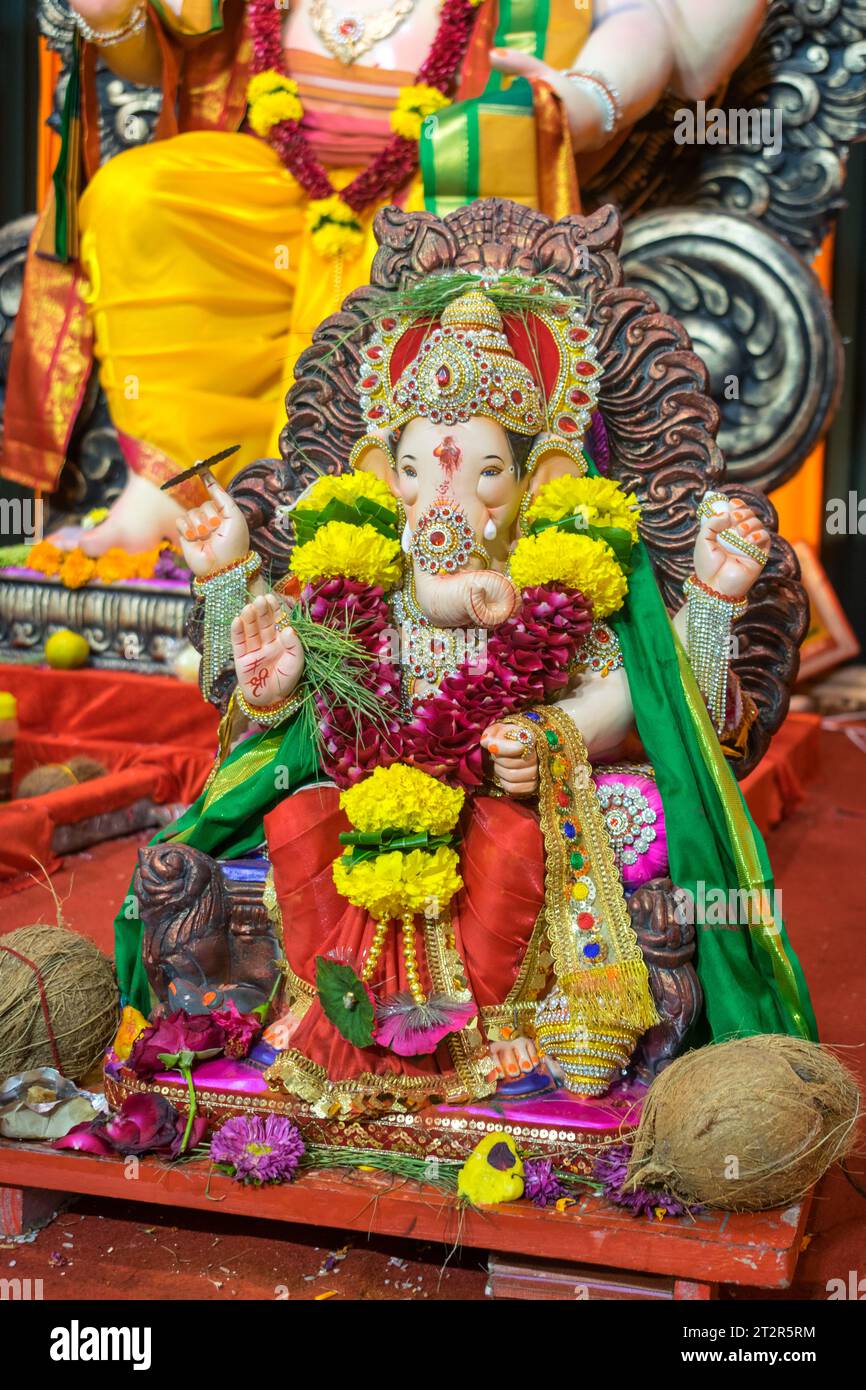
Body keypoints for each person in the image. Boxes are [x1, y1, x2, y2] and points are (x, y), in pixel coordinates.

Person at [116, 278, 815, 1116]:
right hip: (370, 798)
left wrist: (700, 609)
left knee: (526, 842)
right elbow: (277, 720)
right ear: (385, 480)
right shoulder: (359, 592)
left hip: (505, 809)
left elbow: (664, 712)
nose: (441, 503)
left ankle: (499, 1025)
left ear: (537, 484)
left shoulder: (555, 593)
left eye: (484, 473)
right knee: (298, 820)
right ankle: (320, 1010)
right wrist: (242, 598)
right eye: (415, 472)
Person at [1, 0, 769, 554]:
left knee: (438, 259)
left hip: (429, 183)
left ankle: (357, 519)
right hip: (270, 182)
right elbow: (169, 40)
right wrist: (112, 15)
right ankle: (174, 486)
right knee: (142, 198)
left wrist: (581, 97)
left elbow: (652, 24)